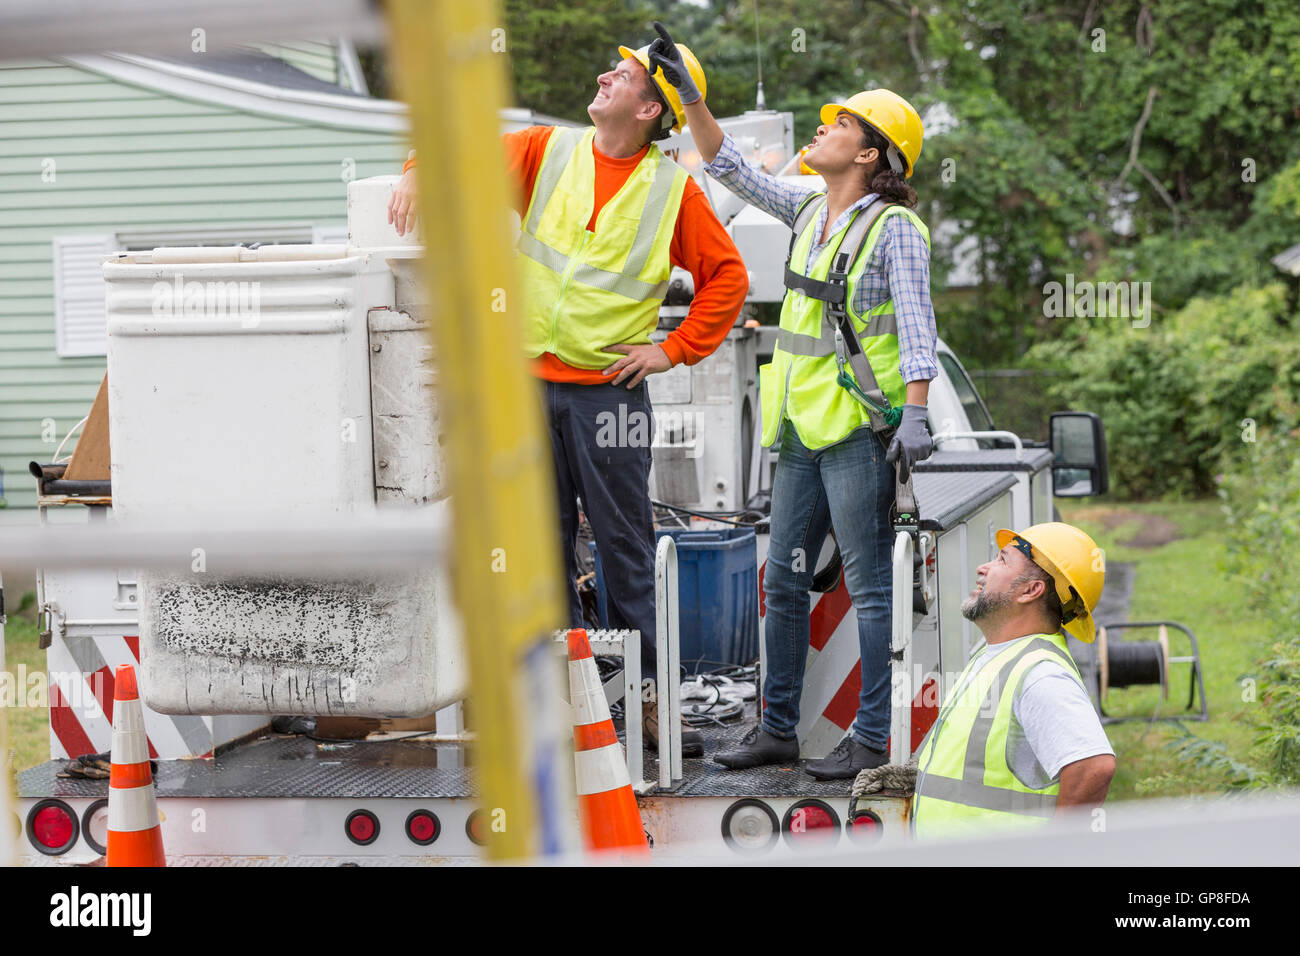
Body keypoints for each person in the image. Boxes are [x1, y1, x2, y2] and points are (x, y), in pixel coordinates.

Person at [387, 29, 749, 758]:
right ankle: (557, 700)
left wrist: (672, 350)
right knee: (539, 550)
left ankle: (646, 704)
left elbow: (728, 279)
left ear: (650, 109)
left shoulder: (671, 190)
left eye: (619, 75)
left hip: (606, 397)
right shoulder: (548, 152)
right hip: (526, 387)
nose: (601, 77)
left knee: (625, 550)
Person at [649, 23, 938, 778]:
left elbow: (916, 323)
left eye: (841, 123)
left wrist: (916, 410)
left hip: (855, 433)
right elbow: (732, 168)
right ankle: (777, 727)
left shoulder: (897, 228)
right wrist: (691, 98)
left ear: (870, 154)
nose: (824, 125)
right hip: (800, 428)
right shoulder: (812, 211)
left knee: (871, 593)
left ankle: (870, 739)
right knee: (780, 577)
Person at [911, 522, 1116, 838]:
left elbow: (1093, 767)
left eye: (1002, 560)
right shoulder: (998, 656)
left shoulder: (1041, 673)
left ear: (1031, 590)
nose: (983, 568)